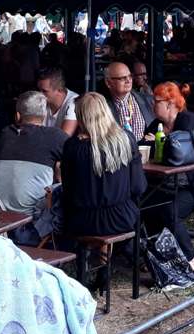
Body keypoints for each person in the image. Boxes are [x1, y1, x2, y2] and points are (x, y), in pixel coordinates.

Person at [143, 83, 194, 271]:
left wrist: (159, 142)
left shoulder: (188, 121)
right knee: (146, 206)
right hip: (167, 184)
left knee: (169, 210)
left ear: (170, 104)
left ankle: (191, 258)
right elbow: (144, 144)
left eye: (156, 101)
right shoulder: (156, 124)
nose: (153, 105)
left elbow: (180, 153)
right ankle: (159, 257)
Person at [61, 92, 145, 238]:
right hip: (122, 217)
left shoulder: (72, 147)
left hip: (84, 221)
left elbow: (69, 192)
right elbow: (138, 187)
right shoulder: (127, 139)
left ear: (81, 117)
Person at [0, 91, 66, 215]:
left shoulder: (5, 133)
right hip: (32, 216)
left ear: (17, 116)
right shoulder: (54, 136)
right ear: (44, 115)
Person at [105, 61, 154, 142]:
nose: (128, 80)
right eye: (122, 78)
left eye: (130, 76)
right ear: (108, 83)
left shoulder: (148, 100)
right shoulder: (102, 106)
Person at [36, 67, 79, 135]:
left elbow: (64, 137)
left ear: (59, 90)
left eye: (44, 91)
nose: (39, 94)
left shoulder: (74, 102)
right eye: (39, 90)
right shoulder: (41, 100)